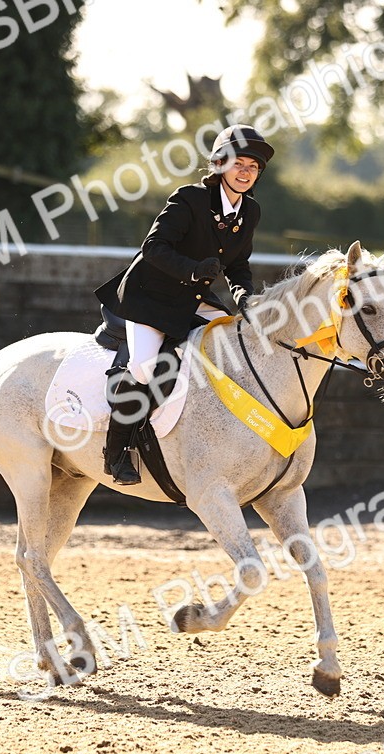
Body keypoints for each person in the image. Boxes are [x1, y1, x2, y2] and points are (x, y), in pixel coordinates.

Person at [93, 123, 275, 485]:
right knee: (147, 369)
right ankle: (116, 452)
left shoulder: (249, 212)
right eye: (239, 163)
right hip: (150, 297)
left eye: (253, 167)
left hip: (192, 299)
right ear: (220, 164)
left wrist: (243, 295)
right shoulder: (189, 198)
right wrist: (193, 271)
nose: (245, 172)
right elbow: (153, 247)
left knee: (235, 348)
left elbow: (237, 265)